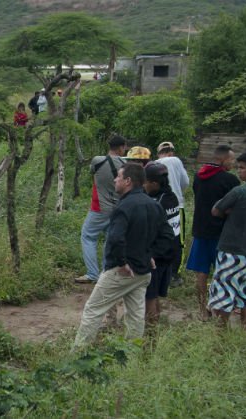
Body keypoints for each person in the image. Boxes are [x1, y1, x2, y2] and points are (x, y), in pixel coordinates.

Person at [73, 164, 173, 348]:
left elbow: (115, 238)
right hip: (143, 272)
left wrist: (121, 262)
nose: (115, 180)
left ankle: (78, 355)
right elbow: (167, 236)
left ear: (128, 181)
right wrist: (151, 255)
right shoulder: (153, 205)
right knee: (135, 316)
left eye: (118, 177)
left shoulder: (124, 207)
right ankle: (131, 356)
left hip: (122, 271)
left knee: (93, 310)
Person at [207, 151, 246, 329]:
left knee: (224, 293)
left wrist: (231, 211)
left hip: (231, 250)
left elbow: (216, 210)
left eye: (242, 168)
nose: (239, 171)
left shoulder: (240, 191)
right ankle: (245, 331)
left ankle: (220, 334)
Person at [187, 145, 240, 320]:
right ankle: (217, 309)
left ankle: (202, 310)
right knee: (221, 272)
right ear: (223, 159)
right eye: (232, 160)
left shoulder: (199, 175)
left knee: (201, 272)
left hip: (201, 230)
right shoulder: (230, 180)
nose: (233, 163)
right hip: (222, 233)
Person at [75, 135, 127, 284]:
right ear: (121, 147)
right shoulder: (126, 165)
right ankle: (106, 272)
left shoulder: (98, 160)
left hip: (99, 207)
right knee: (110, 239)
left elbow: (92, 172)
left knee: (88, 236)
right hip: (119, 208)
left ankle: (92, 274)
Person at [143, 163, 180, 327]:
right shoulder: (170, 196)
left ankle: (151, 330)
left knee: (149, 296)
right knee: (154, 294)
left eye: (145, 182)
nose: (143, 185)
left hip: (158, 256)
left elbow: (156, 231)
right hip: (168, 253)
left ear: (155, 184)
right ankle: (154, 322)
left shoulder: (160, 202)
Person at [156, 141, 189, 286]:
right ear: (172, 152)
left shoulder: (153, 163)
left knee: (158, 236)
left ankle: (158, 269)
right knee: (177, 239)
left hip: (158, 205)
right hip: (176, 205)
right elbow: (185, 182)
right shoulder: (176, 161)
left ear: (158, 153)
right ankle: (174, 274)